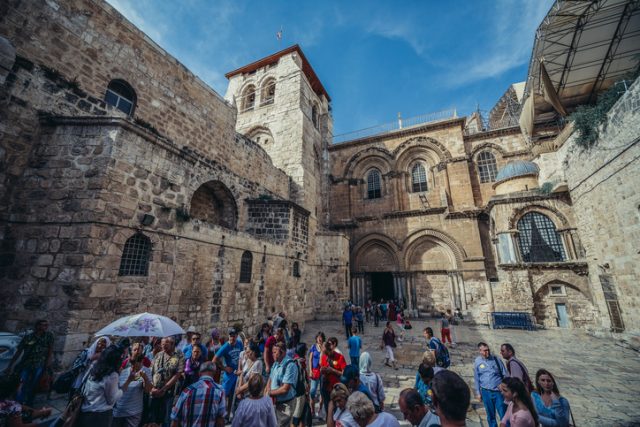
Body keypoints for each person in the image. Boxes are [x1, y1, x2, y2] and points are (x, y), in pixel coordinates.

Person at [78, 345, 131, 426]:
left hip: (86, 410)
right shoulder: (112, 375)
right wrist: (125, 385)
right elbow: (111, 400)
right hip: (100, 416)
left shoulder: (95, 367)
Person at [8, 320, 54, 406]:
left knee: (34, 385)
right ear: (37, 326)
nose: (45, 327)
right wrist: (10, 366)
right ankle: (18, 403)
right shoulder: (28, 337)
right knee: (21, 383)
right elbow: (19, 352)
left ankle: (29, 403)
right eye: (43, 325)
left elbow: (50, 352)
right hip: (27, 364)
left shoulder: (49, 336)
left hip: (39, 364)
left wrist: (47, 367)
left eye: (46, 325)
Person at [170, 361, 226, 427]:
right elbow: (220, 419)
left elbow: (175, 418)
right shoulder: (219, 390)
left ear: (199, 373)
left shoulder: (187, 391)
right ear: (214, 373)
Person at [148, 336, 185, 427]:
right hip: (155, 392)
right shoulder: (158, 355)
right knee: (153, 417)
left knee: (167, 418)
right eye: (162, 344)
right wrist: (152, 388)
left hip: (169, 392)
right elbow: (151, 372)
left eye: (166, 344)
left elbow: (178, 374)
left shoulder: (179, 355)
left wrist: (164, 389)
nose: (164, 346)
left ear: (172, 344)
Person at [113, 350, 152, 427]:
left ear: (142, 361)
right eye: (132, 362)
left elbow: (147, 390)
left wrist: (145, 378)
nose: (133, 365)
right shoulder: (123, 371)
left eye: (135, 362)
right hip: (118, 411)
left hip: (134, 413)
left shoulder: (146, 371)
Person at [474, 342, 508, 427]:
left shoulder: (496, 360)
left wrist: (504, 387)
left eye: (488, 350)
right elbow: (477, 378)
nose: (487, 352)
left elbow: (505, 375)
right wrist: (478, 393)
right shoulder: (477, 362)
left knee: (503, 414)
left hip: (498, 393)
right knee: (490, 416)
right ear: (480, 351)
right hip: (486, 392)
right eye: (485, 351)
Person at [266, 342, 299, 427]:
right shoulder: (276, 363)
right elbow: (270, 378)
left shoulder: (290, 365)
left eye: (275, 352)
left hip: (286, 405)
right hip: (275, 403)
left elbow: (285, 389)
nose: (272, 354)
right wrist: (267, 393)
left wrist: (270, 393)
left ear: (283, 352)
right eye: (272, 352)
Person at [213, 328, 244, 416]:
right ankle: (220, 413)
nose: (232, 338)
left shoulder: (239, 343)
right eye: (230, 336)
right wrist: (224, 368)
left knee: (233, 395)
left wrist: (240, 369)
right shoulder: (225, 347)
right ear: (228, 336)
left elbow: (241, 357)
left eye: (234, 336)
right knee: (223, 395)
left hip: (236, 374)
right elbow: (214, 360)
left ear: (236, 336)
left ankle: (229, 414)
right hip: (228, 375)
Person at [320, 341, 347, 414]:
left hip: (336, 389)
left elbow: (344, 374)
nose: (326, 356)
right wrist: (322, 370)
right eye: (324, 353)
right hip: (326, 388)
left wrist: (333, 370)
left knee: (337, 411)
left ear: (331, 349)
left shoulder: (340, 357)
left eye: (327, 353)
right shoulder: (324, 357)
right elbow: (322, 369)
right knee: (328, 409)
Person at [307, 332, 325, 418]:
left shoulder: (325, 347)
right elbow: (310, 359)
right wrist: (310, 370)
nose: (319, 339)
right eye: (318, 337)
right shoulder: (313, 347)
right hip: (314, 371)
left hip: (323, 372)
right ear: (316, 338)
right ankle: (312, 410)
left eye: (321, 337)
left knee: (322, 392)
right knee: (312, 391)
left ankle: (320, 410)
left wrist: (322, 350)